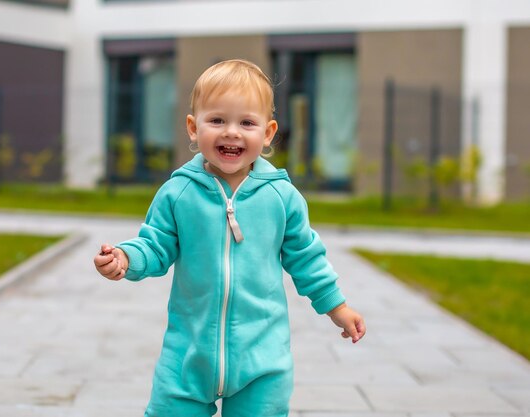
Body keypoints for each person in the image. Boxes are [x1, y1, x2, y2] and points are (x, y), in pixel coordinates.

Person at [93, 59, 366, 417]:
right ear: (193, 127)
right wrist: (127, 258)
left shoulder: (281, 198)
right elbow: (156, 243)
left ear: (268, 134)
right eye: (217, 120)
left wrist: (337, 307)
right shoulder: (178, 192)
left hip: (262, 358)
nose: (231, 132)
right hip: (188, 355)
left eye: (247, 123)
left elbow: (307, 258)